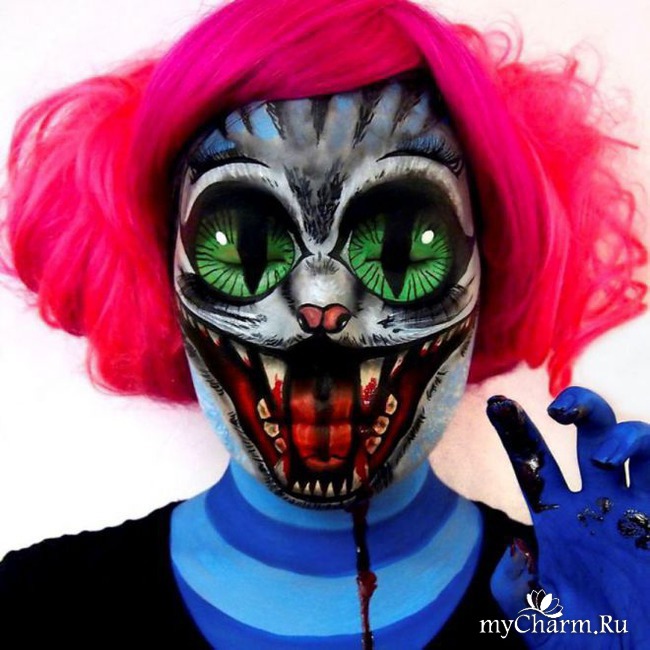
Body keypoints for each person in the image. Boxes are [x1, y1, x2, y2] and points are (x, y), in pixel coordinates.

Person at [0, 0, 648, 647]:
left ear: (490, 268)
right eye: (243, 246)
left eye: (401, 247)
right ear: (159, 273)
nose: (322, 305)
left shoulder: (579, 605)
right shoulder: (36, 610)